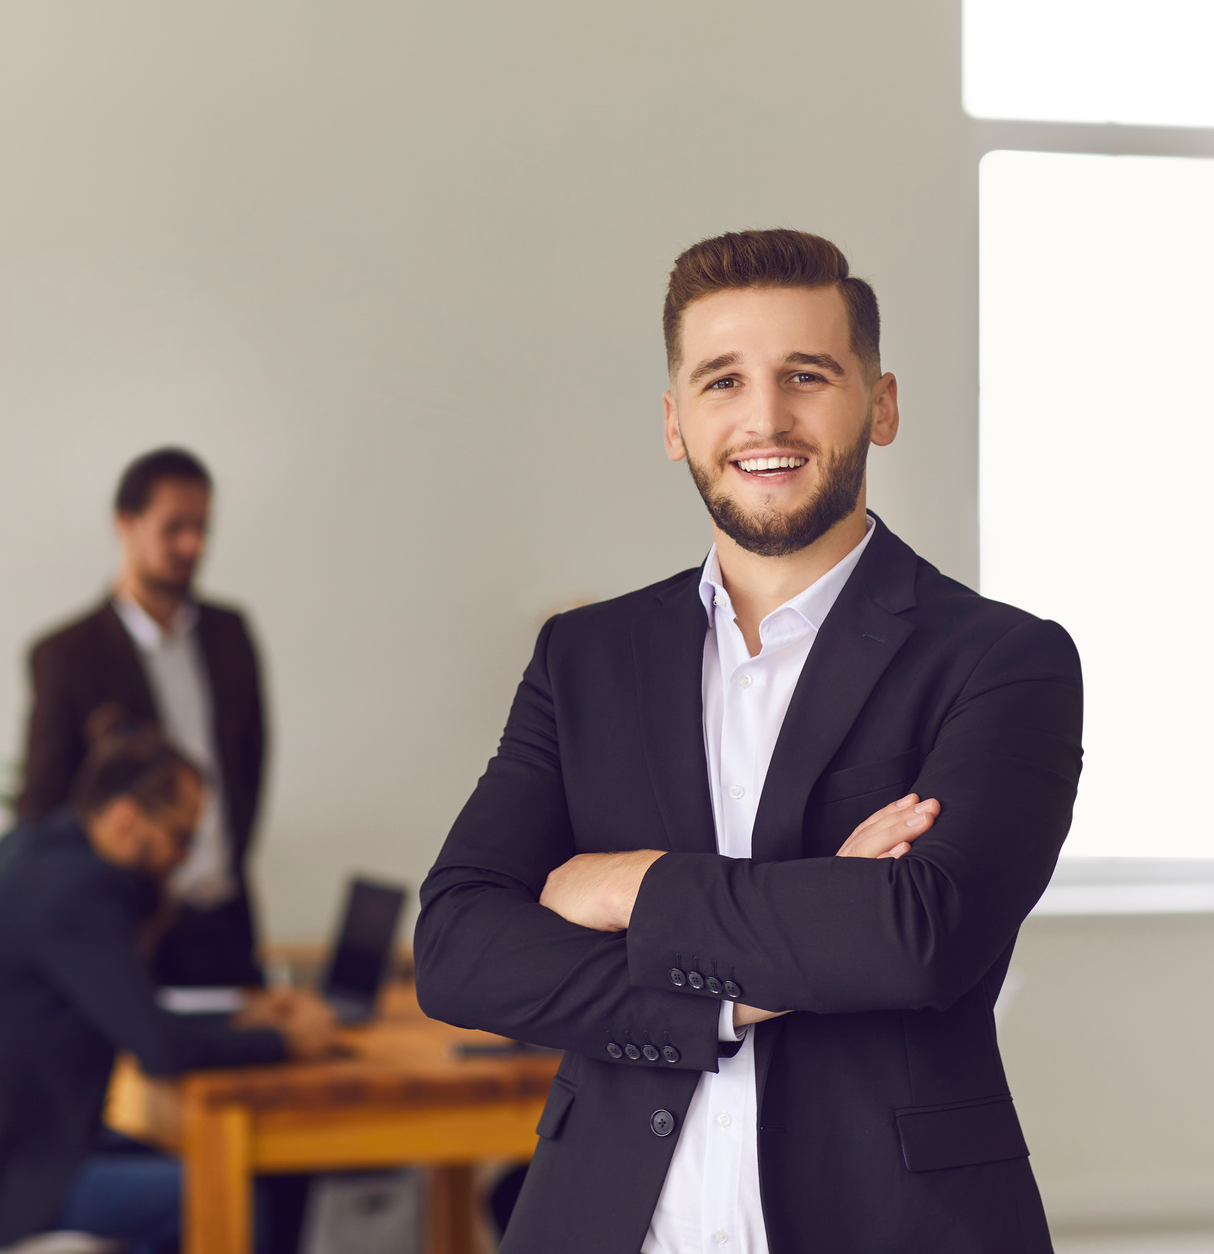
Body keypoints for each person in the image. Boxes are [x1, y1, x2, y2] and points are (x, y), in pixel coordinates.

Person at [415, 229, 1083, 1252]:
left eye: (806, 376)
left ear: (882, 403)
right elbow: (460, 948)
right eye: (723, 381)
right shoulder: (585, 658)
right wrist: (783, 952)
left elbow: (916, 936)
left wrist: (628, 885)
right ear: (677, 421)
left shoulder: (1003, 660)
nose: (765, 417)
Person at [0, 718, 335, 1254]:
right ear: (124, 818)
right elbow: (159, 1049)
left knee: (207, 1166)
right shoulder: (74, 893)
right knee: (220, 1190)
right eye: (181, 837)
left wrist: (240, 1022)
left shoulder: (32, 853)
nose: (185, 858)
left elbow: (130, 1012)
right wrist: (287, 1043)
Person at [16, 447, 267, 989]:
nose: (191, 546)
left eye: (202, 528)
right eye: (174, 528)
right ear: (124, 525)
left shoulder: (231, 635)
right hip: (128, 929)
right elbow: (42, 804)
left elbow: (250, 762)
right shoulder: (67, 656)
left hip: (224, 915)